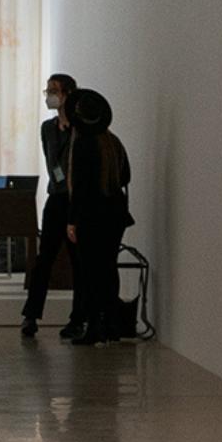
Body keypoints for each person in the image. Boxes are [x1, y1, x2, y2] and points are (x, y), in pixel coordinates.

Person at [65, 89, 133, 345]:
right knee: (108, 269)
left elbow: (79, 187)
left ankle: (94, 327)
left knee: (90, 273)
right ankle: (111, 326)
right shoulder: (112, 142)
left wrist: (72, 221)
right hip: (115, 214)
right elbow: (125, 177)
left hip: (90, 217)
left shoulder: (82, 143)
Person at [22, 73, 78, 336]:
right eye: (47, 91)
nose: (49, 95)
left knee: (78, 260)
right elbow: (52, 161)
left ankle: (79, 317)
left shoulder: (82, 128)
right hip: (57, 197)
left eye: (54, 90)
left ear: (68, 93)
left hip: (76, 200)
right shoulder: (48, 128)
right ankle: (30, 315)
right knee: (45, 259)